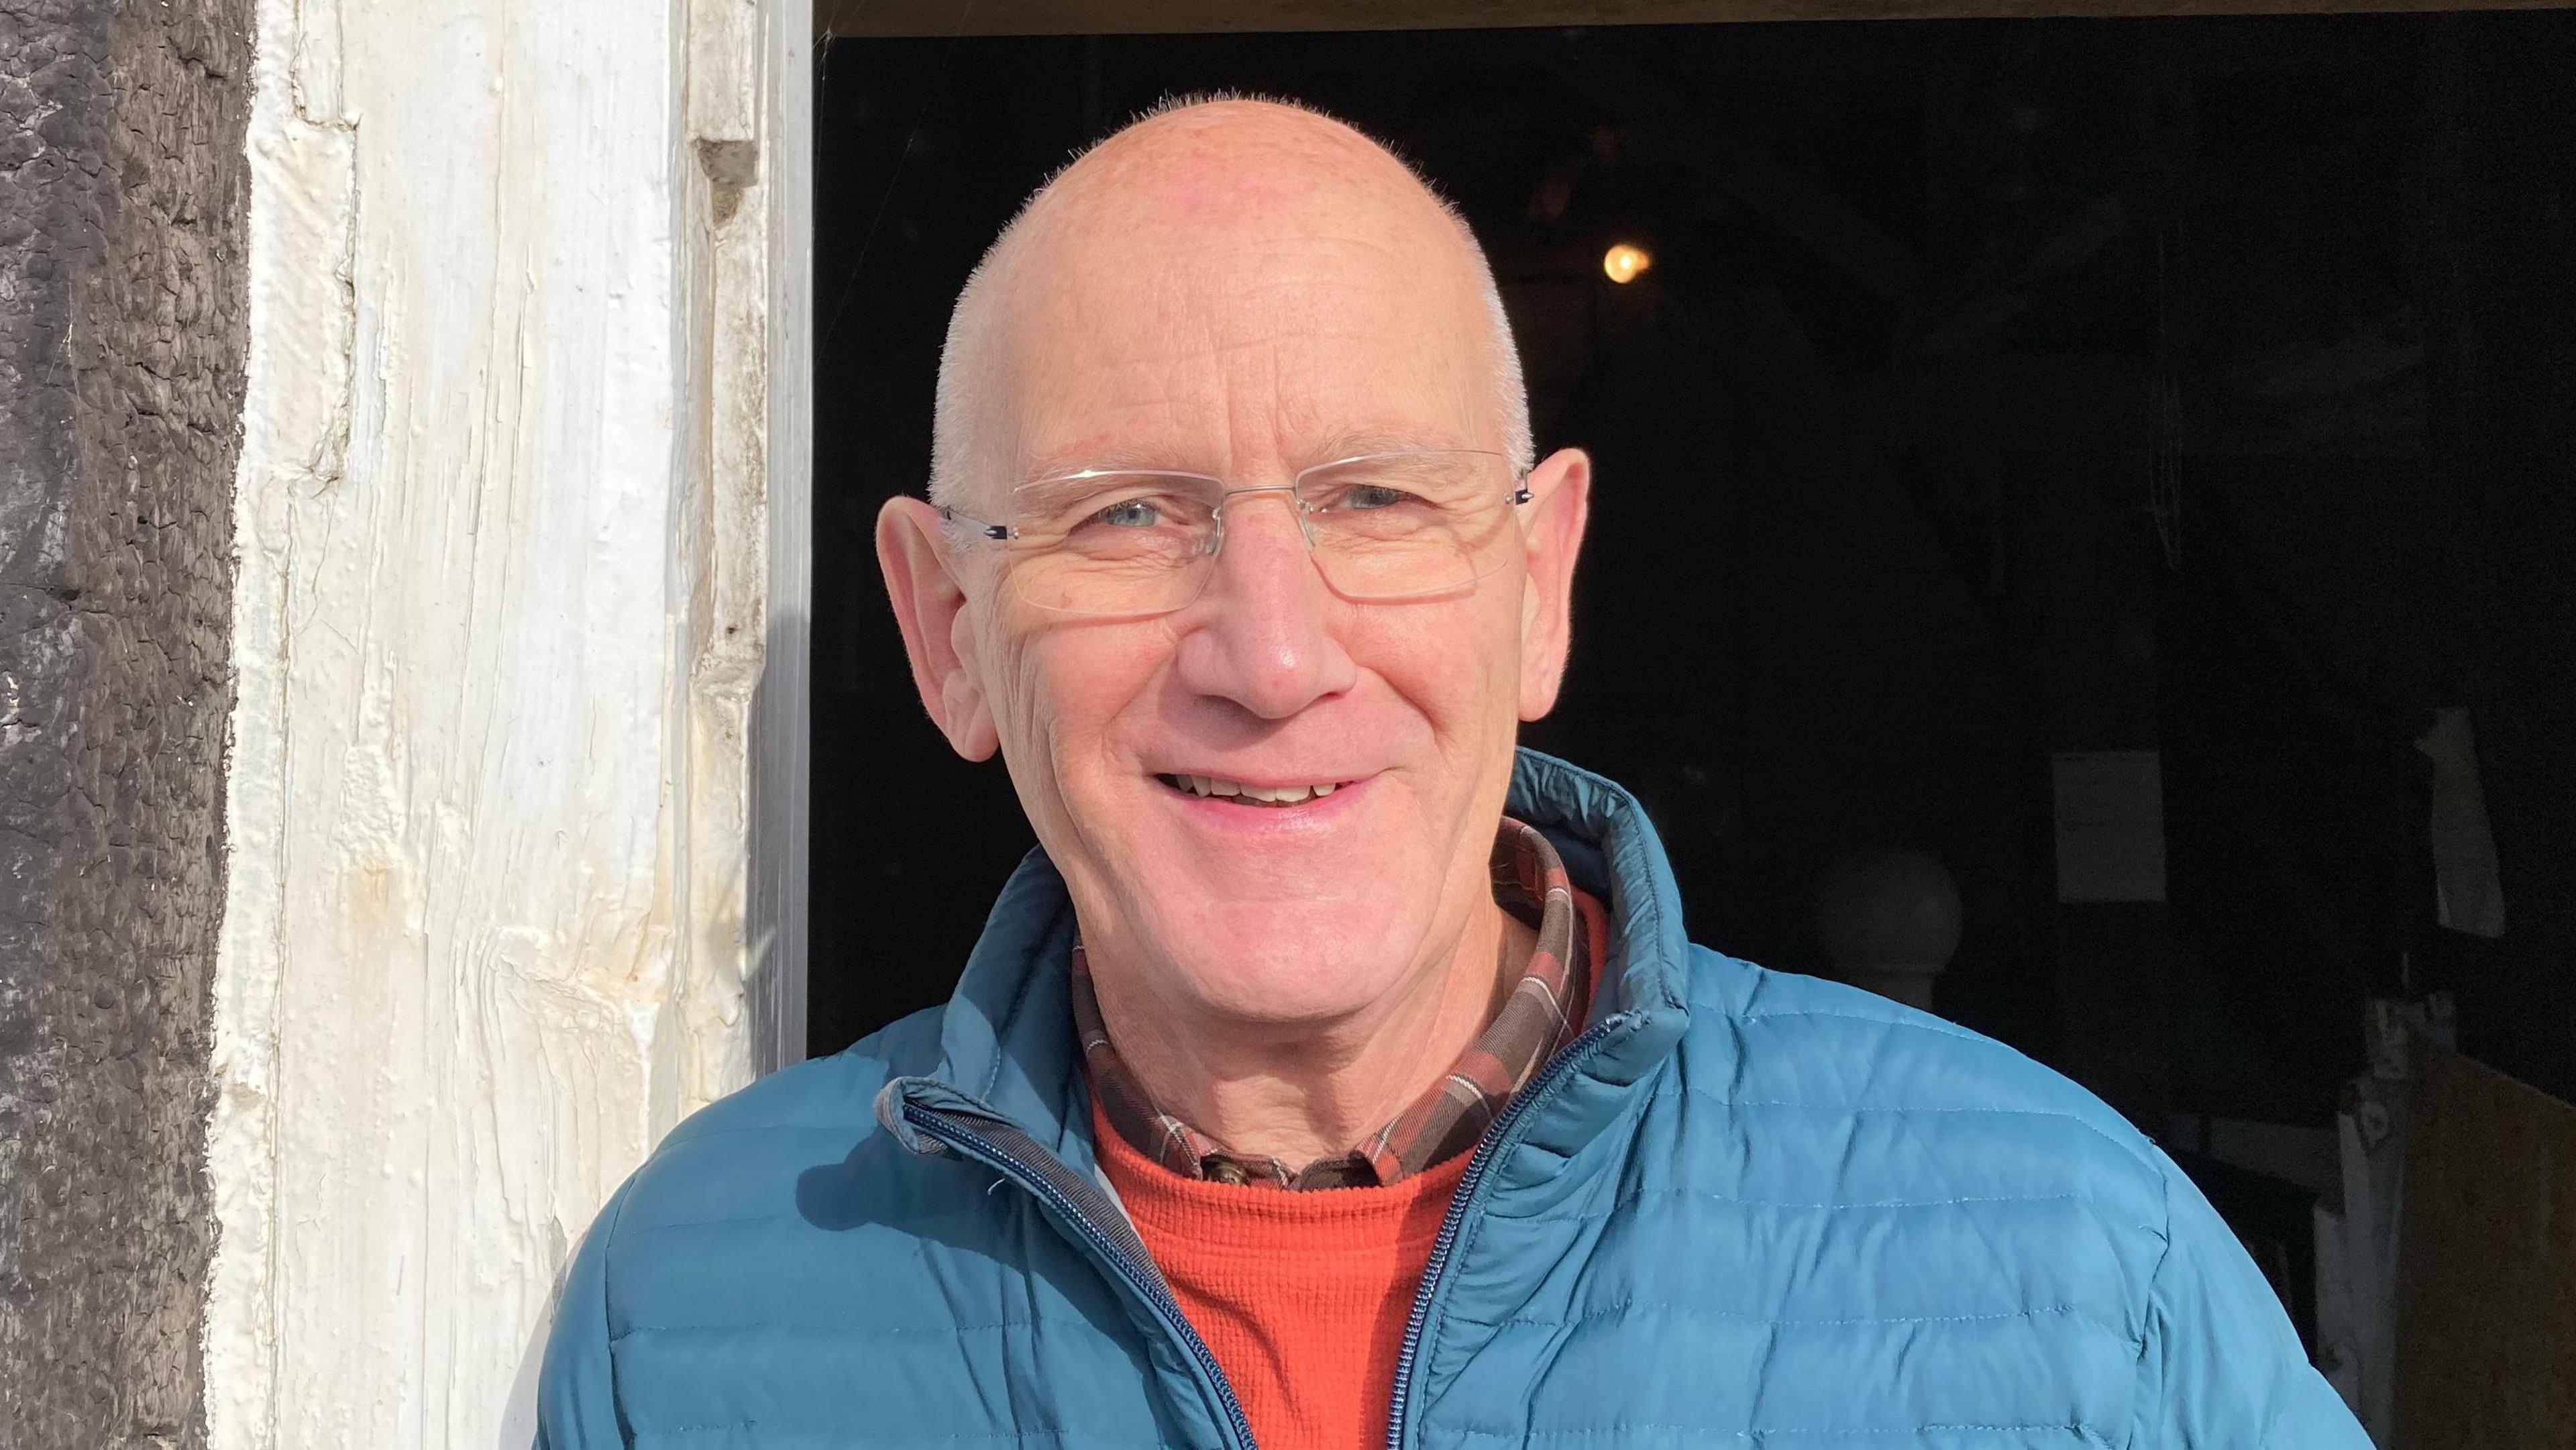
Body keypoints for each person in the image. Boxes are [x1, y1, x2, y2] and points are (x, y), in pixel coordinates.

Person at [537, 97, 2365, 1450]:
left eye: (1378, 501)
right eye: (1129, 514)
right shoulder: (690, 1303)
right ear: (946, 626)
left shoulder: (2069, 1266)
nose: (1269, 654)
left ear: (1541, 581)